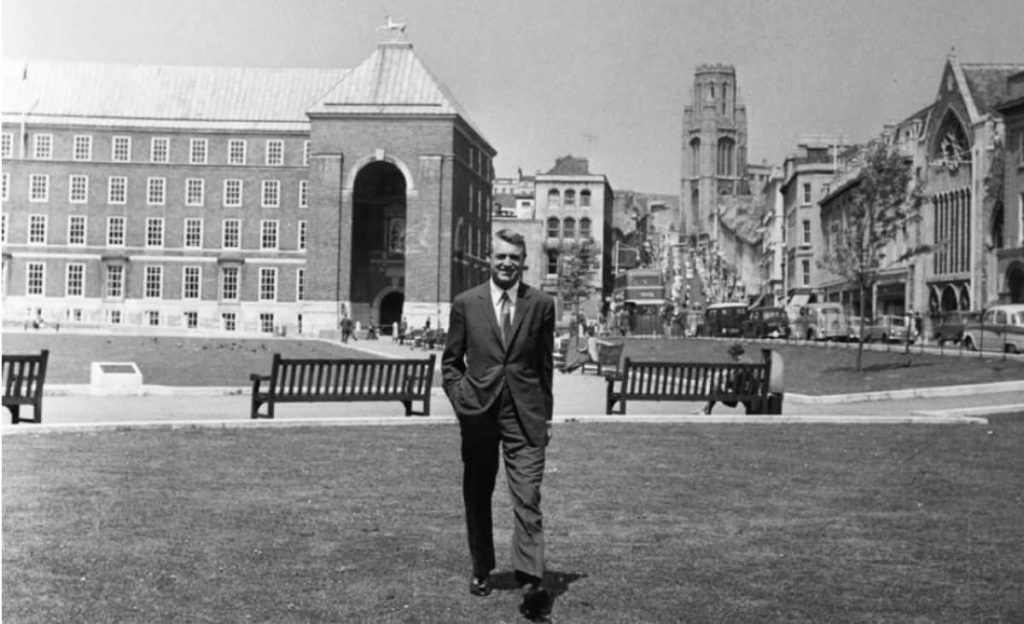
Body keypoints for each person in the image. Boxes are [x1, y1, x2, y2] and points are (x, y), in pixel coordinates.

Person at [442, 228, 555, 621]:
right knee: (478, 492)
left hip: (525, 416)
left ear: (524, 262)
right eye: (500, 257)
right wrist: (461, 401)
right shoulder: (466, 303)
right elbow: (450, 363)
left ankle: (532, 581)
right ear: (489, 260)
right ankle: (481, 569)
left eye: (514, 258)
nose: (507, 263)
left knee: (527, 497)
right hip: (479, 414)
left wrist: (545, 414)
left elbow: (544, 366)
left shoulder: (541, 304)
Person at [702, 342, 754, 415]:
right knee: (716, 384)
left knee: (714, 388)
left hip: (735, 395)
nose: (732, 358)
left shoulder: (740, 364)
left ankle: (706, 410)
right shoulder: (749, 361)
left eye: (732, 355)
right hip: (745, 391)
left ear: (734, 354)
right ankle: (706, 409)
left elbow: (732, 380)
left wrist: (723, 379)